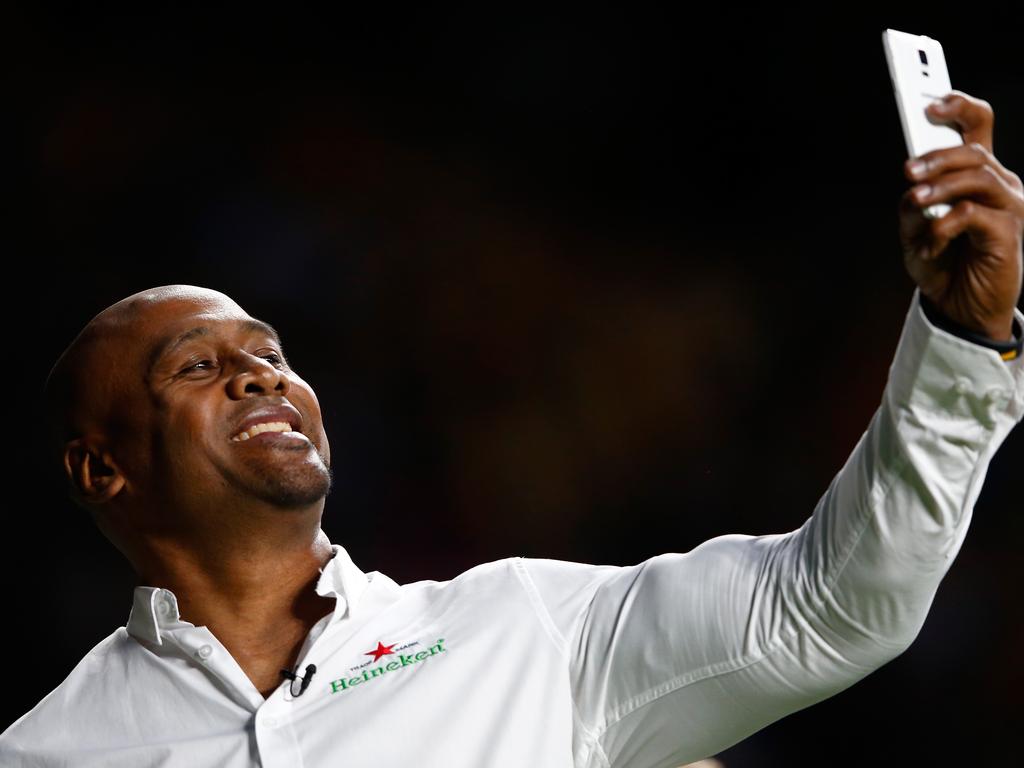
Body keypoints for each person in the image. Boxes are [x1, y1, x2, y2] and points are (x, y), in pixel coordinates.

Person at [1, 90, 1022, 768]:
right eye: (196, 365)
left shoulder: (522, 629)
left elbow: (831, 606)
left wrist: (960, 334)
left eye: (269, 351)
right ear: (102, 469)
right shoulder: (52, 749)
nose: (259, 374)